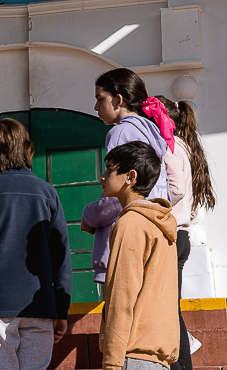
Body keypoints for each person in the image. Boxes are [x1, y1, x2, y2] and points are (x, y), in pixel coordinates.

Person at [0, 118, 71, 370]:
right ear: (27, 149)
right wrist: (61, 310)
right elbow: (61, 257)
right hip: (40, 306)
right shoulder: (47, 193)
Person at [82, 68, 175, 285]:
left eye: (100, 98)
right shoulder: (153, 132)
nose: (96, 106)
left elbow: (120, 192)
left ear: (118, 99)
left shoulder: (120, 133)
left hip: (125, 242)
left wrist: (90, 216)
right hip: (153, 233)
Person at [99, 141, 179, 369]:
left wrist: (112, 361)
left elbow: (122, 295)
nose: (102, 176)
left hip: (131, 355)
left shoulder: (131, 224)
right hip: (158, 356)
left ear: (130, 176)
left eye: (110, 169)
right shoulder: (160, 223)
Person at [157, 96, 216, 369]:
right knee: (172, 308)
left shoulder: (169, 149)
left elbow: (177, 189)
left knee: (169, 310)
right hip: (182, 235)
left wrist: (155, 206)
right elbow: (190, 204)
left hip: (171, 235)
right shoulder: (184, 148)